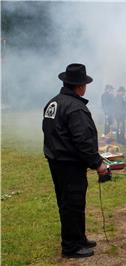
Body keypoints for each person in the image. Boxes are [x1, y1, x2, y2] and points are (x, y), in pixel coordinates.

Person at [42, 63, 107, 258]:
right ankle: (71, 246)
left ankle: (78, 238)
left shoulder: (53, 102)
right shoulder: (75, 108)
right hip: (69, 164)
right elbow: (83, 141)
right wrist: (97, 163)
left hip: (57, 161)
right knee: (72, 204)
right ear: (80, 86)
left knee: (70, 203)